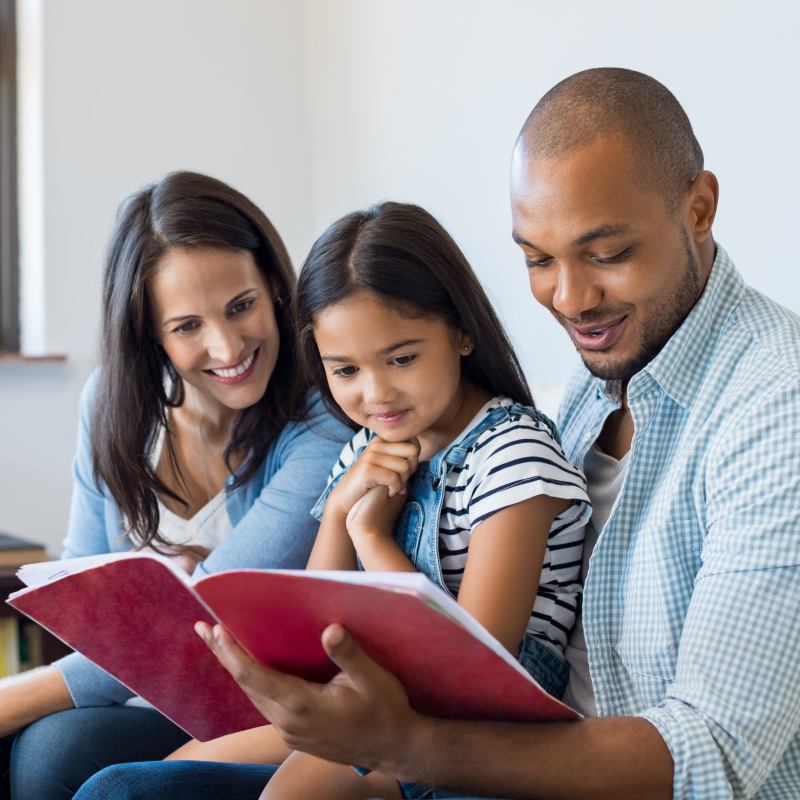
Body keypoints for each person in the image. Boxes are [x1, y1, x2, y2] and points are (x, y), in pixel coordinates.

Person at [75, 68, 800, 800]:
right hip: (459, 740)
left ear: (700, 208)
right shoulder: (598, 374)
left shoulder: (775, 405)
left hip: (506, 755)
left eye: (608, 254)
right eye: (537, 260)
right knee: (121, 789)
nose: (571, 300)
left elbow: (716, 754)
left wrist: (404, 744)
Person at [178, 201, 589, 800]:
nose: (376, 394)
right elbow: (314, 622)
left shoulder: (511, 453)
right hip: (377, 694)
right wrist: (343, 509)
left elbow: (474, 663)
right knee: (157, 771)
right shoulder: (369, 447)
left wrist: (369, 536)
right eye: (344, 370)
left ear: (462, 331)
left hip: (480, 729)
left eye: (401, 358)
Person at [0, 171, 350, 800]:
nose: (227, 345)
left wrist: (11, 698)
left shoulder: (323, 422)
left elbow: (194, 631)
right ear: (150, 333)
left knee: (48, 755)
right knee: (34, 753)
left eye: (241, 305)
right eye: (188, 326)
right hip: (135, 696)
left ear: (274, 285)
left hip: (261, 713)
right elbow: (83, 600)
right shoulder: (111, 405)